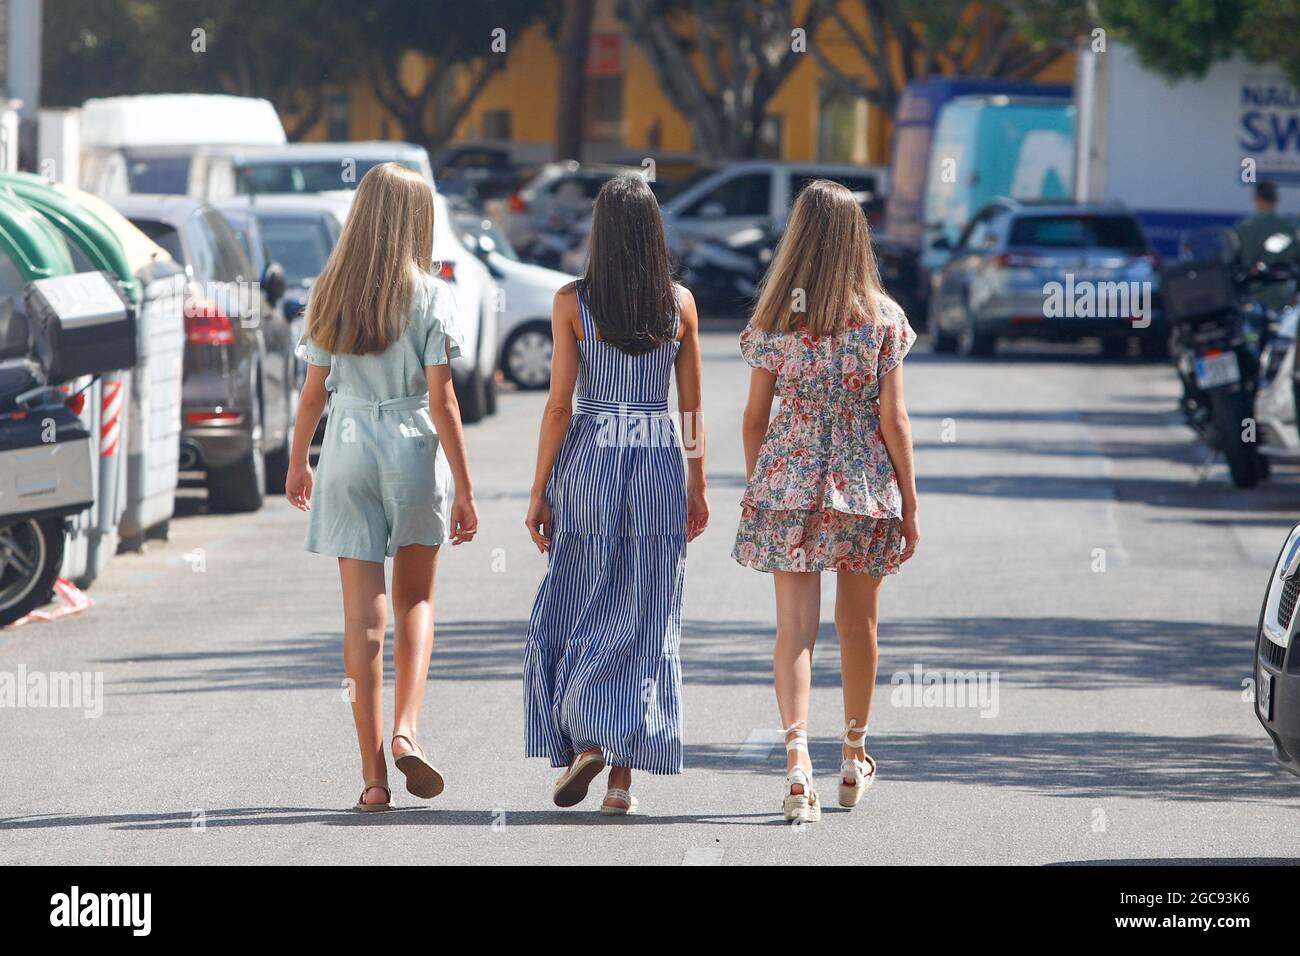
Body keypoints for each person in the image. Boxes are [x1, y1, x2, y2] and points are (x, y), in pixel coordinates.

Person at [285, 162, 479, 812]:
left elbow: (312, 395)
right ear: (417, 223)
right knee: (415, 601)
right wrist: (470, 489)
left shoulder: (329, 291)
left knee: (359, 619)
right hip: (413, 446)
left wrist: (297, 464)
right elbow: (444, 398)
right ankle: (407, 730)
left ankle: (373, 781)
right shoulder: (431, 293)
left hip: (343, 447)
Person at [733, 179, 918, 823]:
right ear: (857, 238)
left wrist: (765, 484)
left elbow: (755, 418)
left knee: (795, 631)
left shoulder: (777, 318)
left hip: (787, 486)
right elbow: (893, 419)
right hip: (864, 488)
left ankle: (796, 767)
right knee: (857, 624)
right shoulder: (884, 319)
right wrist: (911, 504)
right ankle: (853, 754)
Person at [523, 175, 708, 816]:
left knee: (579, 600)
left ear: (598, 235)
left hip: (592, 452)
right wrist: (698, 485)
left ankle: (584, 729)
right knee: (645, 611)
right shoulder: (678, 304)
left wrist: (540, 488)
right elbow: (691, 411)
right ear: (655, 235)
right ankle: (620, 782)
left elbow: (556, 406)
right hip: (658, 455)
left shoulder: (573, 302)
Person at [1234, 180, 1300, 310]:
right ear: (1276, 200)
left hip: (1253, 298)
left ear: (1256, 200)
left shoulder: (1243, 229)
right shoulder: (1290, 228)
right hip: (1286, 297)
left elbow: (1234, 266)